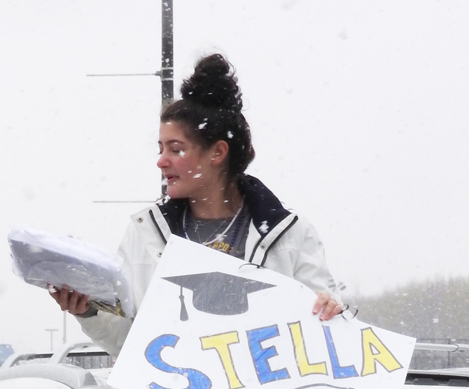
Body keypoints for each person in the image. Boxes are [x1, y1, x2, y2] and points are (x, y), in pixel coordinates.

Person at [53, 54, 345, 359]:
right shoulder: (145, 234)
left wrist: (330, 311)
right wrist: (88, 312)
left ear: (217, 152)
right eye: (160, 148)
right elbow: (131, 348)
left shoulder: (290, 235)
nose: (161, 161)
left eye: (176, 149)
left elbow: (324, 335)